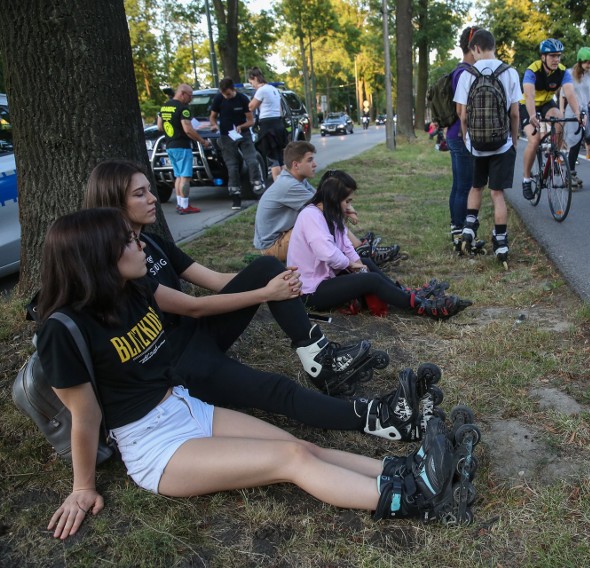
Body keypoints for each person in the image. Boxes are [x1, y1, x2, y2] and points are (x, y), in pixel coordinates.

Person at [38, 208, 459, 540]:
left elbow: (206, 298)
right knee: (290, 459)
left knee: (301, 445)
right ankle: (415, 498)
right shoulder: (62, 330)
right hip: (154, 447)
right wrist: (82, 487)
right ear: (99, 258)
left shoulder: (136, 288)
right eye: (129, 243)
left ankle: (401, 468)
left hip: (186, 408)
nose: (141, 248)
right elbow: (85, 418)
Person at [83, 160, 435, 436]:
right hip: (178, 363)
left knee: (267, 264)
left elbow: (217, 281)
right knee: (277, 390)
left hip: (198, 333)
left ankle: (319, 358)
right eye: (139, 194)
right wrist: (265, 293)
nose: (152, 199)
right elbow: (192, 305)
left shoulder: (153, 243)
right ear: (114, 202)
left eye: (149, 190)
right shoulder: (118, 262)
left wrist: (274, 280)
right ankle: (379, 419)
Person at [288, 170, 472, 318]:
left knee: (366, 262)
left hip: (325, 280)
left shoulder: (330, 215)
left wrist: (358, 265)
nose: (349, 206)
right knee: (370, 279)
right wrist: (352, 266)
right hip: (309, 292)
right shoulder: (310, 216)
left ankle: (403, 294)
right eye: (347, 201)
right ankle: (420, 307)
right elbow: (327, 253)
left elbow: (347, 247)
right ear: (334, 199)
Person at [253, 142, 401, 265]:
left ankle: (358, 248)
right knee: (326, 216)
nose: (315, 164)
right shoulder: (289, 186)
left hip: (282, 236)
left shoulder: (297, 180)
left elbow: (322, 196)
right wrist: (349, 211)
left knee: (325, 216)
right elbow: (326, 203)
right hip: (272, 247)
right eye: (310, 160)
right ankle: (362, 250)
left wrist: (349, 209)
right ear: (296, 165)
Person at [454, 29, 522, 267]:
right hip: (501, 143)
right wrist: (513, 140)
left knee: (475, 187)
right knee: (497, 194)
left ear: (476, 48)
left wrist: (466, 140)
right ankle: (501, 241)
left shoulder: (467, 74)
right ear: (493, 46)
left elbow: (462, 115)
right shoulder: (510, 72)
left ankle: (470, 227)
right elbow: (514, 113)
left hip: (475, 144)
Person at [520, 39, 571, 200]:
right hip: (528, 105)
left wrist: (579, 114)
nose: (556, 59)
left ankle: (555, 152)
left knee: (559, 118)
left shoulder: (562, 71)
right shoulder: (532, 71)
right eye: (552, 56)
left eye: (559, 56)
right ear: (543, 57)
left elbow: (570, 93)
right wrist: (533, 115)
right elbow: (529, 95)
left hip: (547, 103)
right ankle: (526, 179)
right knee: (534, 141)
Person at [209, 77, 265, 210]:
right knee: (232, 167)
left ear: (233, 89)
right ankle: (235, 196)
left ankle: (258, 189)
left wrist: (242, 126)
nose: (226, 97)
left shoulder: (242, 99)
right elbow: (212, 117)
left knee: (252, 161)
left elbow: (251, 120)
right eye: (223, 94)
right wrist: (214, 125)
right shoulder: (218, 99)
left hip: (243, 135)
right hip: (227, 136)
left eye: (227, 94)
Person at [157, 83, 211, 215]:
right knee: (185, 177)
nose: (190, 99)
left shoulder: (164, 107)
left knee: (178, 177)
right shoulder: (183, 109)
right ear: (182, 93)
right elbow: (188, 129)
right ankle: (185, 206)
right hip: (182, 146)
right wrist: (203, 141)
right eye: (190, 96)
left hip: (170, 146)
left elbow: (159, 127)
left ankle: (180, 204)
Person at [447, 25, 478, 249]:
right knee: (464, 186)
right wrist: (467, 136)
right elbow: (462, 110)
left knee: (459, 184)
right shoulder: (464, 73)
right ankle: (459, 231)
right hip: (460, 135)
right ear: (473, 47)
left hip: (455, 134)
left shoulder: (461, 70)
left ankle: (456, 229)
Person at [561, 47, 590, 189]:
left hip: (584, 111)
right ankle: (568, 175)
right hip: (571, 111)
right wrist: (562, 112)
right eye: (587, 62)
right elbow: (563, 95)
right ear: (580, 61)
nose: (589, 65)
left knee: (583, 139)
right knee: (572, 142)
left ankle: (572, 172)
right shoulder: (569, 74)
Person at [248, 67, 286, 182]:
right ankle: (286, 183)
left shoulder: (261, 90)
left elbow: (251, 107)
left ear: (255, 78)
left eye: (251, 83)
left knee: (272, 159)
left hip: (267, 126)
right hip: (278, 124)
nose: (252, 86)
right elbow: (280, 109)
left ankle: (278, 186)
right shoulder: (274, 89)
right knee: (281, 158)